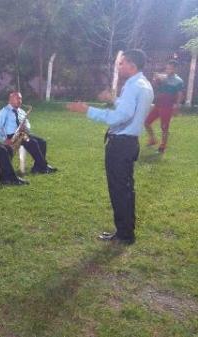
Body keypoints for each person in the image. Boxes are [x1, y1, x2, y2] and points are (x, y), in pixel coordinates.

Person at [67, 49, 154, 245]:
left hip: (121, 145)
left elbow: (120, 116)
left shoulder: (134, 86)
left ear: (132, 65)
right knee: (126, 189)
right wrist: (113, 99)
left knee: (119, 189)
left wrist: (86, 110)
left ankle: (124, 234)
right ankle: (125, 230)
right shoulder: (143, 84)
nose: (119, 66)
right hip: (130, 143)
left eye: (121, 63)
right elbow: (128, 108)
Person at [0, 92, 57, 174]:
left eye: (20, 98)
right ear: (10, 100)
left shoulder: (21, 111)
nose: (20, 101)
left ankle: (37, 167)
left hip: (22, 133)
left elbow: (27, 124)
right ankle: (43, 166)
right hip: (11, 136)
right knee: (32, 143)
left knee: (42, 142)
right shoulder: (4, 111)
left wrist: (26, 127)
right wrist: (5, 139)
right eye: (17, 98)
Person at [144, 59, 184, 153]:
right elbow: (156, 86)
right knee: (146, 122)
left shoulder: (178, 81)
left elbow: (180, 94)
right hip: (158, 104)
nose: (168, 70)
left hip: (167, 106)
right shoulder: (163, 77)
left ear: (175, 69)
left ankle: (162, 146)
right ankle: (152, 139)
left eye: (170, 68)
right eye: (167, 68)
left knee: (164, 127)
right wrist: (155, 80)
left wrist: (176, 106)